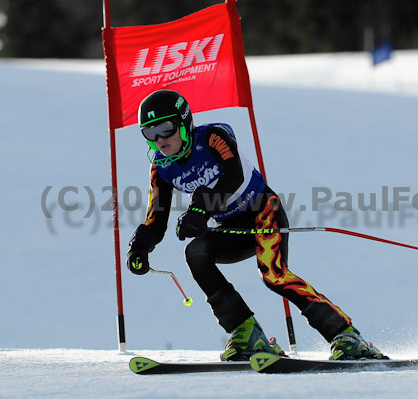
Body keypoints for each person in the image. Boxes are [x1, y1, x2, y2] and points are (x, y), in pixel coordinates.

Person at [126, 89, 388, 361]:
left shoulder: (214, 137)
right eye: (149, 132)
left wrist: (201, 208)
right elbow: (156, 216)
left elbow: (234, 175)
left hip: (263, 211)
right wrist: (140, 246)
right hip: (231, 228)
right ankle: (245, 332)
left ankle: (346, 335)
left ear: (184, 122)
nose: (159, 139)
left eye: (166, 128)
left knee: (273, 275)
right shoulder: (160, 167)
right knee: (195, 253)